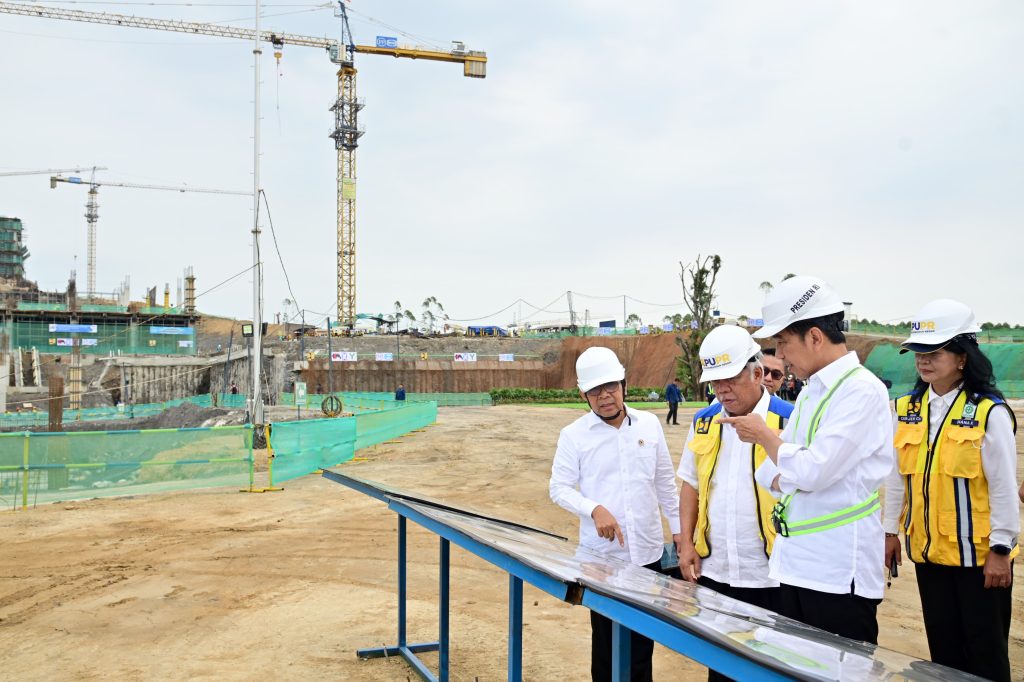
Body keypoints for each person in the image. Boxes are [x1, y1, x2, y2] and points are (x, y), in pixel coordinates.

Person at [718, 275, 892, 645]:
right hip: (797, 564)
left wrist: (766, 436)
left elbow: (811, 470)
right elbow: (771, 475)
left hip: (837, 571)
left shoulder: (861, 391)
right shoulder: (814, 392)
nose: (779, 356)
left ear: (814, 336)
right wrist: (794, 464)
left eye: (782, 343)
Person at [882, 299, 1018, 682]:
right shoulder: (906, 408)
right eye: (917, 352)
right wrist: (890, 531)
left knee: (986, 657)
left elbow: (1004, 487)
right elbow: (897, 478)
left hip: (979, 560)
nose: (923, 361)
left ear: (962, 356)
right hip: (929, 555)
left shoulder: (989, 412)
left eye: (934, 352)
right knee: (943, 658)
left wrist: (1001, 549)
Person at [550, 346, 682, 682]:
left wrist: (680, 534)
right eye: (595, 391)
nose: (605, 396)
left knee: (641, 645)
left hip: (648, 553)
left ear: (624, 384)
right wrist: (593, 508)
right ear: (584, 394)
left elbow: (665, 484)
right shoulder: (574, 435)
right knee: (606, 644)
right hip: (603, 559)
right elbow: (559, 488)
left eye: (610, 387)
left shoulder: (649, 425)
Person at [677, 326, 792, 682]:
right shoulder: (704, 422)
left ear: (757, 373)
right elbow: (691, 485)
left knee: (774, 665)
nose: (722, 389)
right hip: (717, 569)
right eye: (715, 382)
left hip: (774, 573)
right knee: (722, 666)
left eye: (729, 378)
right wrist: (685, 545)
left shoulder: (789, 418)